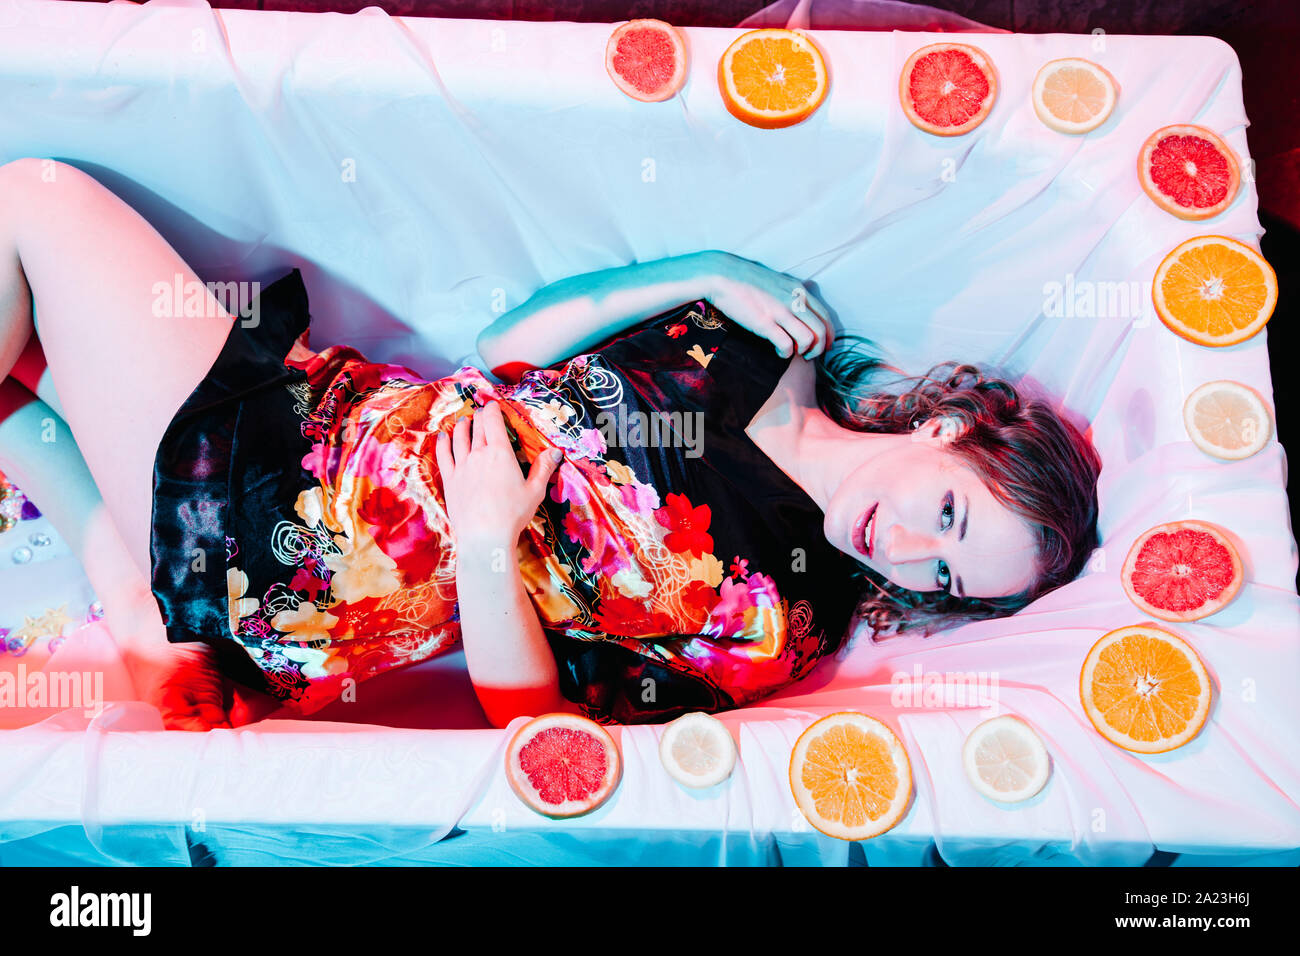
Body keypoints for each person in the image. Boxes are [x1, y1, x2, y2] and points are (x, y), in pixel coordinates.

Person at [0, 158, 1101, 730]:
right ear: (946, 428)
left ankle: (150, 586)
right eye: (948, 512)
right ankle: (135, 592)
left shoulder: (783, 623)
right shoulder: (768, 341)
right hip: (331, 410)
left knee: (30, 207)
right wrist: (698, 273)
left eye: (943, 575)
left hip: (294, 543)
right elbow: (503, 346)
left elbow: (531, 717)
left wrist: (488, 548)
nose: (904, 546)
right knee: (35, 376)